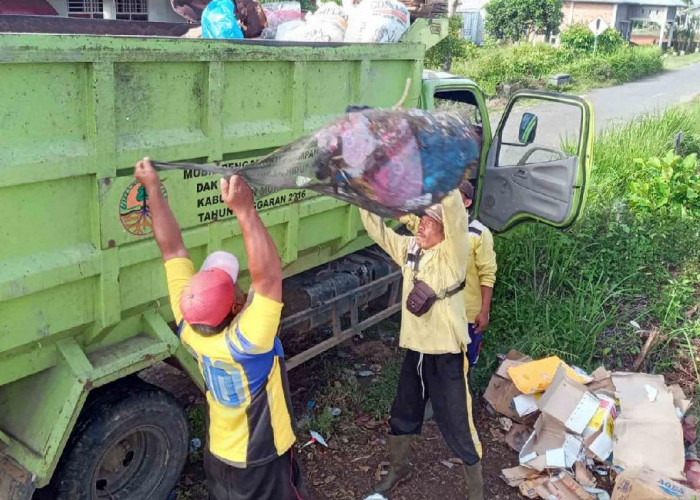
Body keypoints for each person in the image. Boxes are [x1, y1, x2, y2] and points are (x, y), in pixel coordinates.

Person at [133, 158, 306, 500]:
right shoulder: (249, 342)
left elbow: (171, 248)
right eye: (233, 285)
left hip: (220, 453)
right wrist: (245, 211)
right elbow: (268, 276)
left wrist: (152, 187)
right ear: (236, 306)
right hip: (261, 458)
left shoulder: (188, 328)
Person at [360, 190, 484, 500]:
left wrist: (448, 175)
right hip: (416, 350)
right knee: (404, 410)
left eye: (430, 222)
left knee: (458, 422)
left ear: (445, 231)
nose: (422, 226)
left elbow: (454, 213)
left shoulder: (454, 252)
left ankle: (475, 492)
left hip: (446, 354)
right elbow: (378, 231)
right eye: (422, 219)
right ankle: (399, 468)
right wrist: (364, 199)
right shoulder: (411, 248)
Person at [458, 181, 497, 369]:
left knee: (466, 362)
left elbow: (487, 274)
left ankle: (464, 396)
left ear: (467, 203)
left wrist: (484, 311)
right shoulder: (439, 231)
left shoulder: (479, 233)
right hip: (443, 314)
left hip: (468, 315)